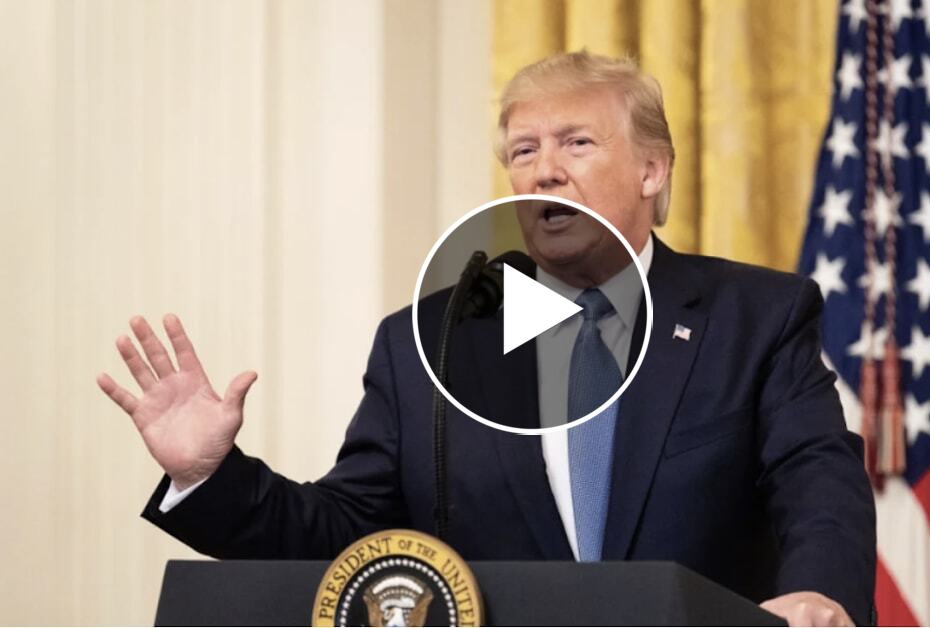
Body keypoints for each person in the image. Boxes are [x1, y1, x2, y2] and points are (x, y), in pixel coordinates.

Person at [97, 52, 875, 627]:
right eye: (523, 151)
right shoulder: (431, 342)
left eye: (576, 144)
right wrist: (211, 476)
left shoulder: (754, 318)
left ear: (652, 170)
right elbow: (350, 536)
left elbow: (817, 481)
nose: (545, 172)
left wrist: (819, 592)